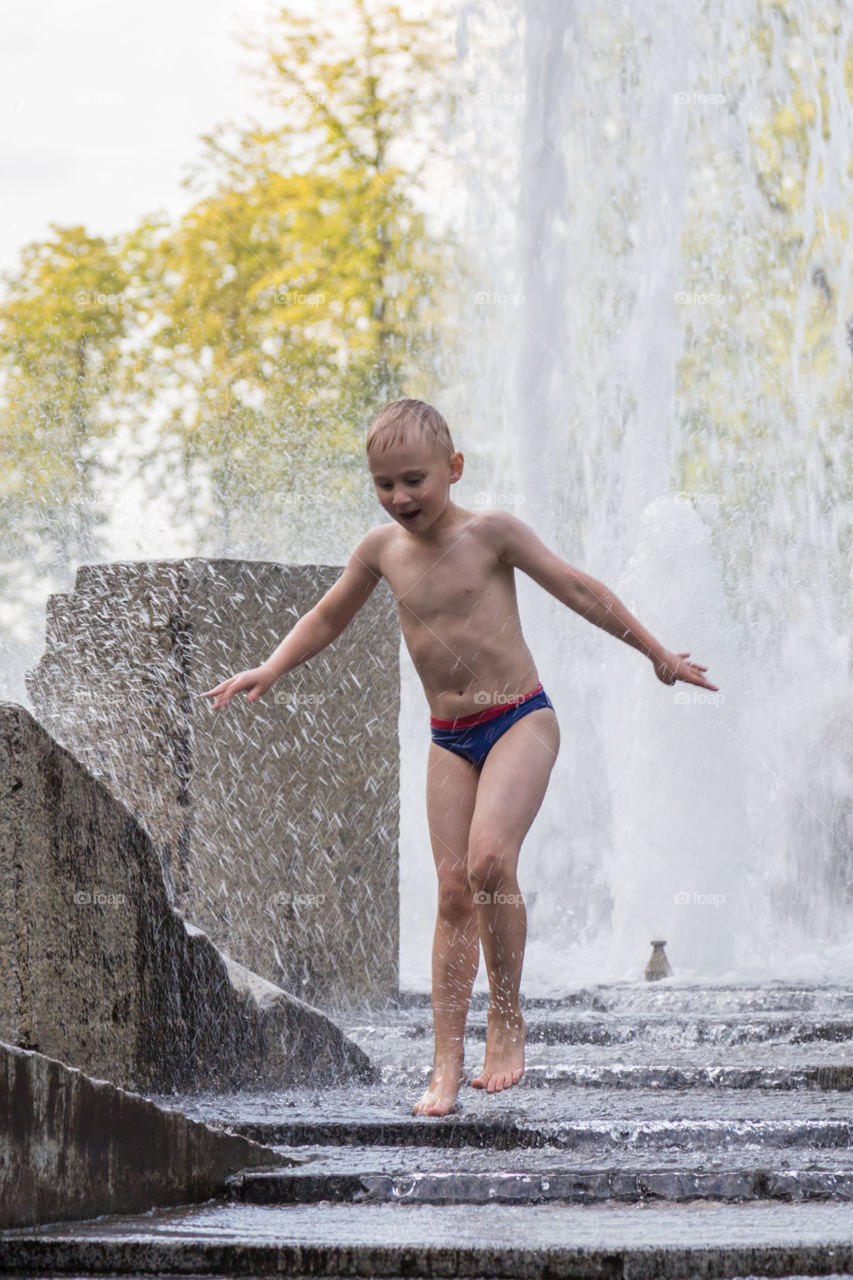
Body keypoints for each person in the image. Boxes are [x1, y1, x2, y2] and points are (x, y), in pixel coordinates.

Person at [203, 398, 719, 1117]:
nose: (399, 498)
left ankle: (505, 1015)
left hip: (520, 721)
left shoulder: (492, 533)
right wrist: (270, 667)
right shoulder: (379, 550)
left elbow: (579, 589)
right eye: (383, 485)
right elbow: (327, 615)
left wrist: (656, 653)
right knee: (451, 893)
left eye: (413, 479)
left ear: (453, 469)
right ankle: (444, 1064)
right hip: (449, 739)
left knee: (487, 863)